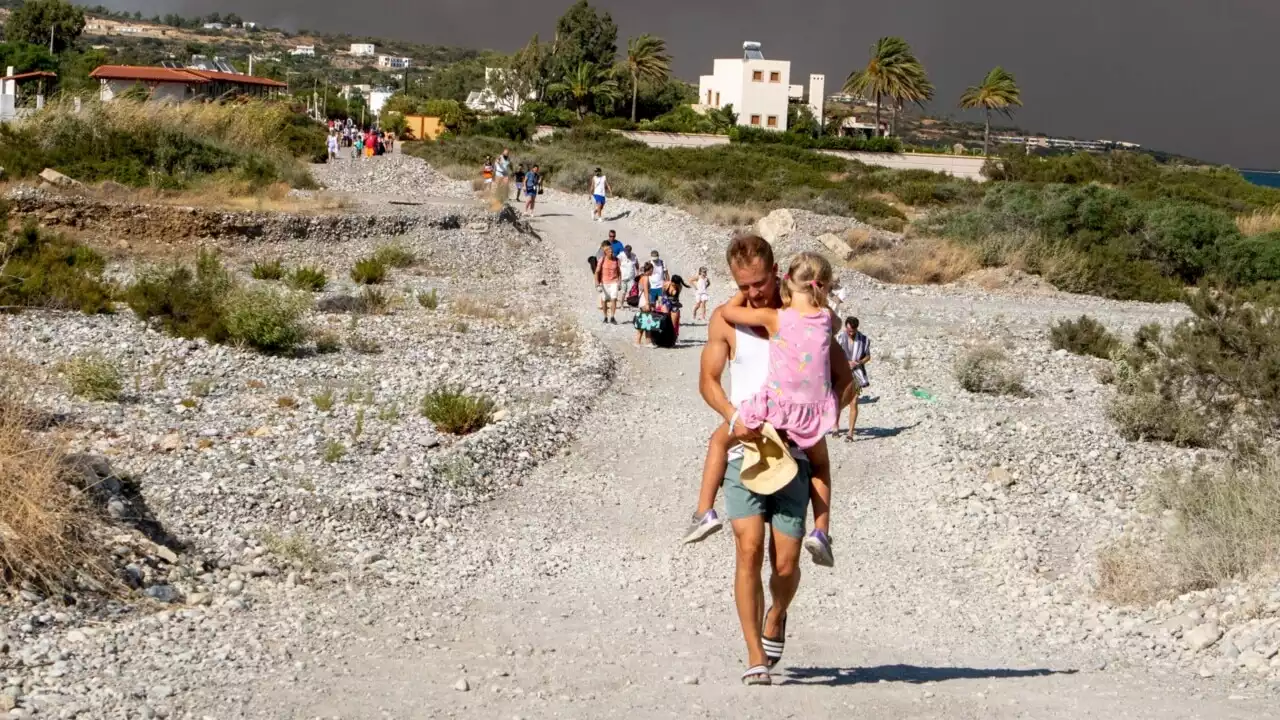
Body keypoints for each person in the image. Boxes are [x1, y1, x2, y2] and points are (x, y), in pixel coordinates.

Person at [689, 235, 854, 686]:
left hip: (795, 452)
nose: (756, 292)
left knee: (785, 565)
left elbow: (844, 378)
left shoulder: (804, 317)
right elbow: (708, 378)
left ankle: (778, 613)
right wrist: (731, 415)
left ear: (776, 271)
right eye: (746, 284)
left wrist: (823, 414)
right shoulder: (728, 321)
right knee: (747, 549)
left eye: (761, 283)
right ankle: (754, 654)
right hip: (748, 448)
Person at [835, 317, 871, 438]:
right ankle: (835, 426)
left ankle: (850, 432)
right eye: (849, 330)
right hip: (841, 374)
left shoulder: (864, 340)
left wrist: (859, 362)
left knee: (854, 402)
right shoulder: (839, 338)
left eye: (853, 331)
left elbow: (868, 356)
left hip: (857, 375)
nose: (850, 333)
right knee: (839, 401)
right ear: (846, 327)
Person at [633, 262, 659, 347]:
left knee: (646, 321)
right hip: (644, 301)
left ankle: (646, 341)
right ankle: (639, 341)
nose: (653, 272)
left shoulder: (641, 277)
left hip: (642, 301)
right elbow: (646, 291)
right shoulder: (646, 278)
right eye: (652, 270)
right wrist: (648, 303)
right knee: (646, 321)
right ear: (649, 270)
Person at [595, 243, 622, 324]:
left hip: (614, 282)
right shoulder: (602, 260)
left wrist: (619, 282)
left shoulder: (616, 260)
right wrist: (597, 284)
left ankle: (612, 317)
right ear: (605, 252)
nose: (611, 251)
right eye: (609, 250)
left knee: (614, 298)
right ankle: (605, 317)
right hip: (604, 282)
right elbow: (597, 272)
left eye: (611, 250)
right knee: (604, 300)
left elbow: (619, 272)